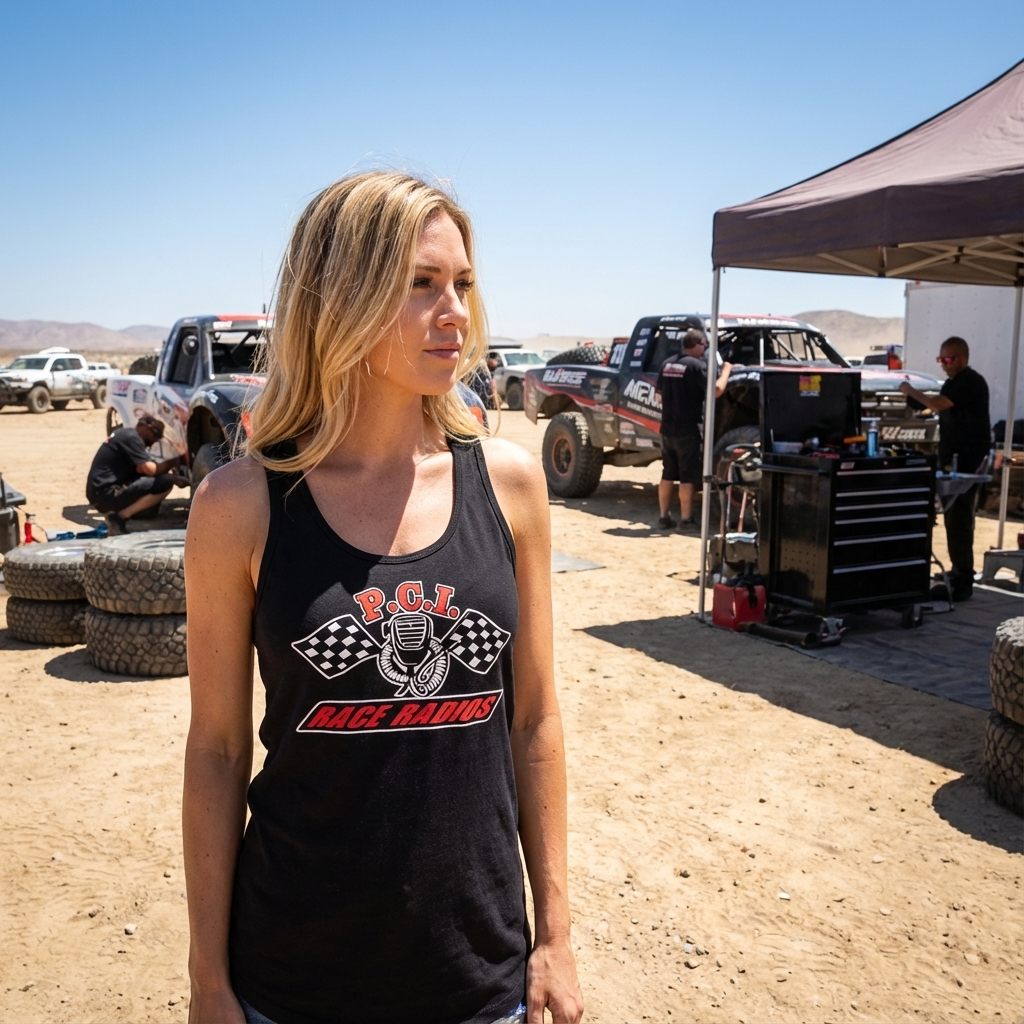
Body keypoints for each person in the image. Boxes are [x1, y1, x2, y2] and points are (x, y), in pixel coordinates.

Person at [182, 172, 583, 1024]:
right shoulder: (240, 506)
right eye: (421, 284)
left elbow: (535, 720)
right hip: (291, 982)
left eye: (463, 284)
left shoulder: (510, 485)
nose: (456, 313)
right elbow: (217, 749)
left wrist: (556, 935)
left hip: (479, 979)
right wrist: (208, 980)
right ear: (341, 300)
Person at [899, 336, 991, 600]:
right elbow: (931, 404)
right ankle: (957, 571)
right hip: (953, 458)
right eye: (941, 359)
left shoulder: (970, 381)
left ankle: (963, 580)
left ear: (963, 358)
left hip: (968, 461)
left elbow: (939, 404)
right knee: (952, 518)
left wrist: (910, 390)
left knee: (960, 519)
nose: (944, 364)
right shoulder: (953, 384)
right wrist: (912, 398)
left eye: (949, 359)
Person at [655, 329, 732, 529]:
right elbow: (716, 390)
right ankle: (686, 520)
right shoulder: (696, 366)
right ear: (696, 344)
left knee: (668, 473)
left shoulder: (666, 364)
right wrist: (726, 370)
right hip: (688, 429)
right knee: (687, 476)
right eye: (704, 345)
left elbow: (658, 397)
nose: (705, 349)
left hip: (667, 429)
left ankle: (663, 518)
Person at [85, 414, 188, 534]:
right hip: (106, 493)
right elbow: (150, 470)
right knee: (165, 483)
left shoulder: (126, 435)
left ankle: (129, 513)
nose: (154, 441)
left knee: (158, 483)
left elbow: (140, 470)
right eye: (155, 436)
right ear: (148, 426)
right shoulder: (132, 437)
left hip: (99, 493)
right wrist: (173, 464)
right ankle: (119, 517)